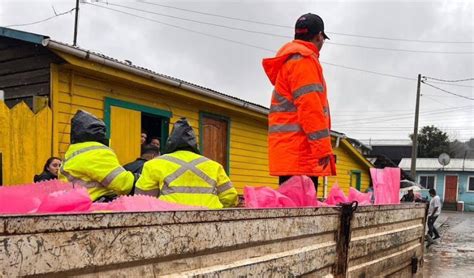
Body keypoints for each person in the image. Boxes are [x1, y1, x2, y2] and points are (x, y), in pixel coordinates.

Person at [262, 13, 336, 191]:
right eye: (322, 39)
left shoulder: (291, 60)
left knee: (291, 212)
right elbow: (310, 108)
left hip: (291, 154)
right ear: (319, 36)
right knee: (301, 214)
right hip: (301, 155)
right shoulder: (303, 60)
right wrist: (323, 149)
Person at [135, 118, 238, 209]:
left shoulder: (154, 164)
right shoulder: (214, 166)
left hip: (168, 223)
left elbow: (143, 200)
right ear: (194, 144)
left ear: (170, 142)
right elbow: (230, 197)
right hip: (210, 222)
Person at [59, 110, 134, 202]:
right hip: (97, 207)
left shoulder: (72, 153)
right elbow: (123, 184)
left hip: (75, 206)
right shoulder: (96, 151)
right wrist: (139, 178)